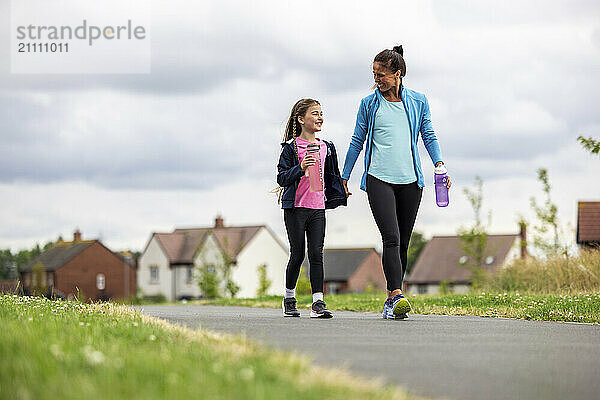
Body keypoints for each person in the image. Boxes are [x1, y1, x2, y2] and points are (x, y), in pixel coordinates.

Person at [341, 45, 452, 320]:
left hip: (411, 181)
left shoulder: (418, 101)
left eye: (382, 75)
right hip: (379, 178)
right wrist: (344, 176)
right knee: (390, 238)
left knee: (403, 242)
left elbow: (428, 134)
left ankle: (394, 297)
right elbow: (357, 140)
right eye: (374, 74)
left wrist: (439, 164)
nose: (377, 80)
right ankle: (394, 296)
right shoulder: (369, 104)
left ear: (398, 74)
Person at [277, 98, 347, 318]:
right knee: (297, 254)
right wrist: (300, 167)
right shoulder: (291, 148)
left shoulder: (327, 147)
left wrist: (342, 191)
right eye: (315, 113)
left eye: (321, 113)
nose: (320, 118)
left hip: (318, 208)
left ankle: (318, 303)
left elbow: (332, 176)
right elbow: (281, 178)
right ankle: (289, 298)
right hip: (296, 208)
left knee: (316, 254)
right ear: (301, 119)